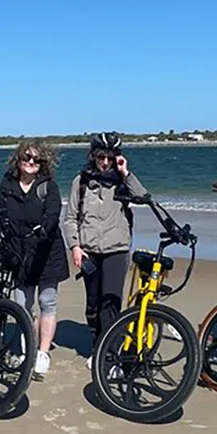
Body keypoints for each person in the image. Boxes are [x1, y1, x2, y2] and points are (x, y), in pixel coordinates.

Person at [62, 132, 148, 369]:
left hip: (116, 248)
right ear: (93, 156)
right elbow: (70, 218)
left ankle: (107, 351)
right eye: (101, 157)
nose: (105, 162)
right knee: (93, 305)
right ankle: (96, 342)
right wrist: (75, 246)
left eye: (111, 157)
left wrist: (126, 173)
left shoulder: (123, 180)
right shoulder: (80, 181)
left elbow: (143, 197)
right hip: (89, 250)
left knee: (111, 301)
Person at [0, 139, 69, 379]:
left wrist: (44, 229)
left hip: (46, 253)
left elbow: (53, 215)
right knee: (22, 304)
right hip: (19, 254)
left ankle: (43, 352)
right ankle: (28, 346)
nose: (31, 163)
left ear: (43, 163)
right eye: (27, 158)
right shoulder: (7, 186)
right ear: (18, 160)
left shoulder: (48, 187)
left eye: (37, 159)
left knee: (47, 301)